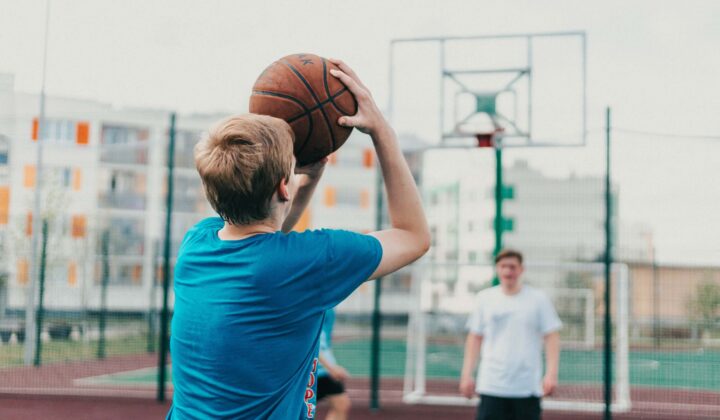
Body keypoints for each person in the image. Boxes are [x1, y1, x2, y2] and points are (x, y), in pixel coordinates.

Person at [167, 59, 430, 420]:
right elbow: (413, 236)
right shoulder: (312, 259)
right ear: (282, 187)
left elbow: (268, 239)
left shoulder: (197, 243)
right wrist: (382, 131)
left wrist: (305, 181)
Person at [459, 249, 562, 420]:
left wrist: (551, 374)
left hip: (526, 387)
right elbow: (475, 338)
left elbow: (552, 336)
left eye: (512, 267)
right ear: (497, 269)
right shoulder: (484, 298)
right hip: (491, 385)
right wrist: (466, 375)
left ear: (521, 269)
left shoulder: (538, 299)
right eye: (503, 266)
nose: (508, 271)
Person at [316, 308, 351, 420]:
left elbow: (326, 341)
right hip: (312, 370)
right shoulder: (308, 307)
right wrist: (331, 368)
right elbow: (309, 345)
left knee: (341, 404)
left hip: (324, 370)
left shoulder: (329, 311)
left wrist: (332, 365)